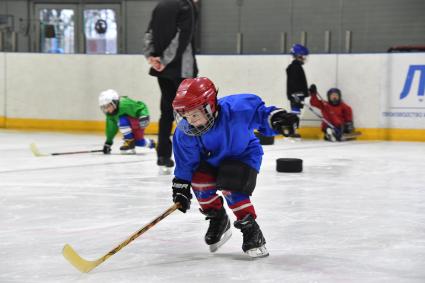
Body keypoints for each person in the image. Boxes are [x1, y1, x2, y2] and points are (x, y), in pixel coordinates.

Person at [170, 77, 299, 258]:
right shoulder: (185, 132)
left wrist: (277, 119)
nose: (190, 121)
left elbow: (261, 115)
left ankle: (251, 230)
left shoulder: (237, 109)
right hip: (215, 160)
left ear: (210, 106)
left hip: (244, 155)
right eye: (186, 115)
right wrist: (181, 186)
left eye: (194, 115)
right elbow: (186, 163)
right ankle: (218, 218)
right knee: (199, 183)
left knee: (232, 187)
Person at [143, 0, 198, 172]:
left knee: (166, 112)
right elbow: (183, 36)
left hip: (162, 69)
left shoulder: (160, 5)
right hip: (181, 69)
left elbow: (149, 33)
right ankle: (191, 156)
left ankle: (163, 155)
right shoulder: (186, 6)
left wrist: (152, 57)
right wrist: (165, 60)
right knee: (191, 112)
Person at [99, 89, 155, 154]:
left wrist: (144, 115)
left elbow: (141, 107)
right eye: (104, 107)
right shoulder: (110, 115)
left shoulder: (125, 104)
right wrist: (108, 143)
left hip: (137, 123)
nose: (106, 109)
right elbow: (111, 129)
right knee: (139, 142)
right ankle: (155, 144)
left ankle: (129, 142)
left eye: (108, 106)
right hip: (129, 126)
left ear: (114, 102)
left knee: (122, 120)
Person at [286, 43, 311, 138]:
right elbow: (293, 83)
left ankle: (292, 130)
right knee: (295, 113)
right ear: (298, 55)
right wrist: (295, 94)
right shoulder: (294, 67)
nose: (304, 58)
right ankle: (291, 131)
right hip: (296, 95)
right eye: (303, 56)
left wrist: (306, 91)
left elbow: (300, 83)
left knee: (296, 113)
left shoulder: (297, 67)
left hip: (298, 94)